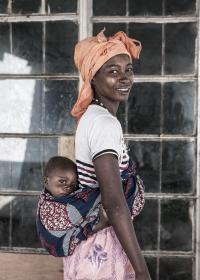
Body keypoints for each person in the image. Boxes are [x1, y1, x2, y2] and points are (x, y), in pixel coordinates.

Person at [62, 29, 151, 279]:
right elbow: (113, 203)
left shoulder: (91, 117)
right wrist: (142, 271)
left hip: (88, 248)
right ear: (93, 77)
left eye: (128, 69)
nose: (125, 78)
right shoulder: (104, 124)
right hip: (101, 253)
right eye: (113, 71)